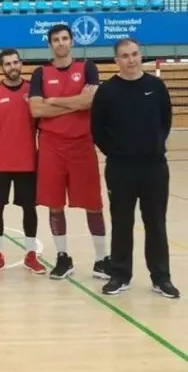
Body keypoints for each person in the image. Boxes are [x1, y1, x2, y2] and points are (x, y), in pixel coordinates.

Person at [91, 38, 179, 298]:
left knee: (156, 223)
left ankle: (161, 278)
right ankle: (119, 275)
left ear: (141, 55)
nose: (131, 59)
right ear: (116, 60)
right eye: (125, 56)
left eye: (135, 54)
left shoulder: (156, 86)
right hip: (120, 169)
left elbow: (166, 121)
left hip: (153, 167)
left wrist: (151, 146)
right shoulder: (107, 91)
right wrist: (118, 153)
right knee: (121, 222)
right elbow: (97, 130)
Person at [28, 24, 111, 280]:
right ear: (50, 44)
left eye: (65, 38)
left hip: (82, 144)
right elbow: (36, 110)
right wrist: (74, 103)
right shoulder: (40, 73)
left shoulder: (87, 67)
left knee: (93, 204)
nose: (61, 43)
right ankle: (63, 257)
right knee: (54, 204)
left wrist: (53, 101)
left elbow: (91, 101)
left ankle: (101, 260)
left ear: (71, 41)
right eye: (56, 39)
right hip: (52, 146)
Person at [0, 49, 45, 274]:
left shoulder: (33, 92)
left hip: (28, 162)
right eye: (7, 64)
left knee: (29, 208)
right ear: (1, 68)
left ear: (21, 64)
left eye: (15, 62)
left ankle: (31, 254)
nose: (12, 67)